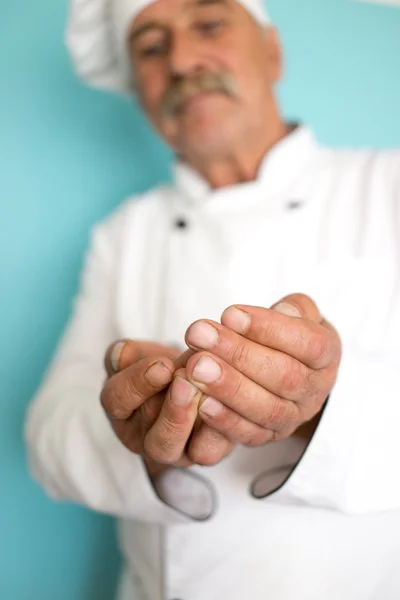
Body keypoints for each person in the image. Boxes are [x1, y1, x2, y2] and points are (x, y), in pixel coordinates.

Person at [25, 0, 400, 598]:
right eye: (150, 46)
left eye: (208, 24)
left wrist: (322, 405)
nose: (181, 60)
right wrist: (134, 428)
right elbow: (48, 434)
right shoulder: (125, 233)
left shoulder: (387, 186)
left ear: (272, 50)